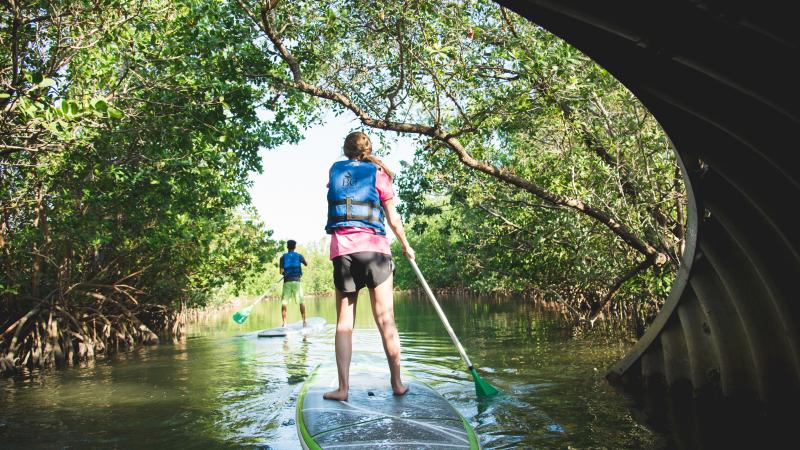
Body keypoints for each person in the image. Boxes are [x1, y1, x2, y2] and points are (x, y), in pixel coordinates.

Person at [322, 131, 415, 401]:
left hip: (344, 253)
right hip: (375, 252)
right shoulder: (379, 174)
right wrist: (406, 245)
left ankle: (343, 389)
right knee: (386, 319)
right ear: (368, 149)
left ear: (345, 148)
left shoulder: (335, 172)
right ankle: (397, 383)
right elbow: (394, 220)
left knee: (344, 322)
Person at [279, 239, 308, 327]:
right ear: (295, 247)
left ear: (287, 247)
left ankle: (284, 323)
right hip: (296, 282)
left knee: (284, 303)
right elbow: (306, 264)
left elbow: (280, 272)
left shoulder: (282, 257)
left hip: (287, 282)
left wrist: (285, 273)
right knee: (301, 302)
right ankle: (304, 321)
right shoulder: (299, 256)